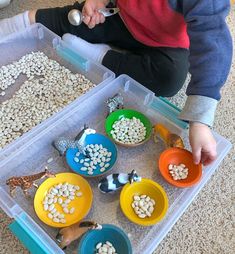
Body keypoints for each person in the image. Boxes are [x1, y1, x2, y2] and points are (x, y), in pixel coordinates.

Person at [0, 0, 233, 166]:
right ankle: (15, 25)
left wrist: (200, 121)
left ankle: (101, 56)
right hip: (120, 15)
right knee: (69, 19)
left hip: (166, 43)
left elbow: (213, 42)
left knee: (169, 79)